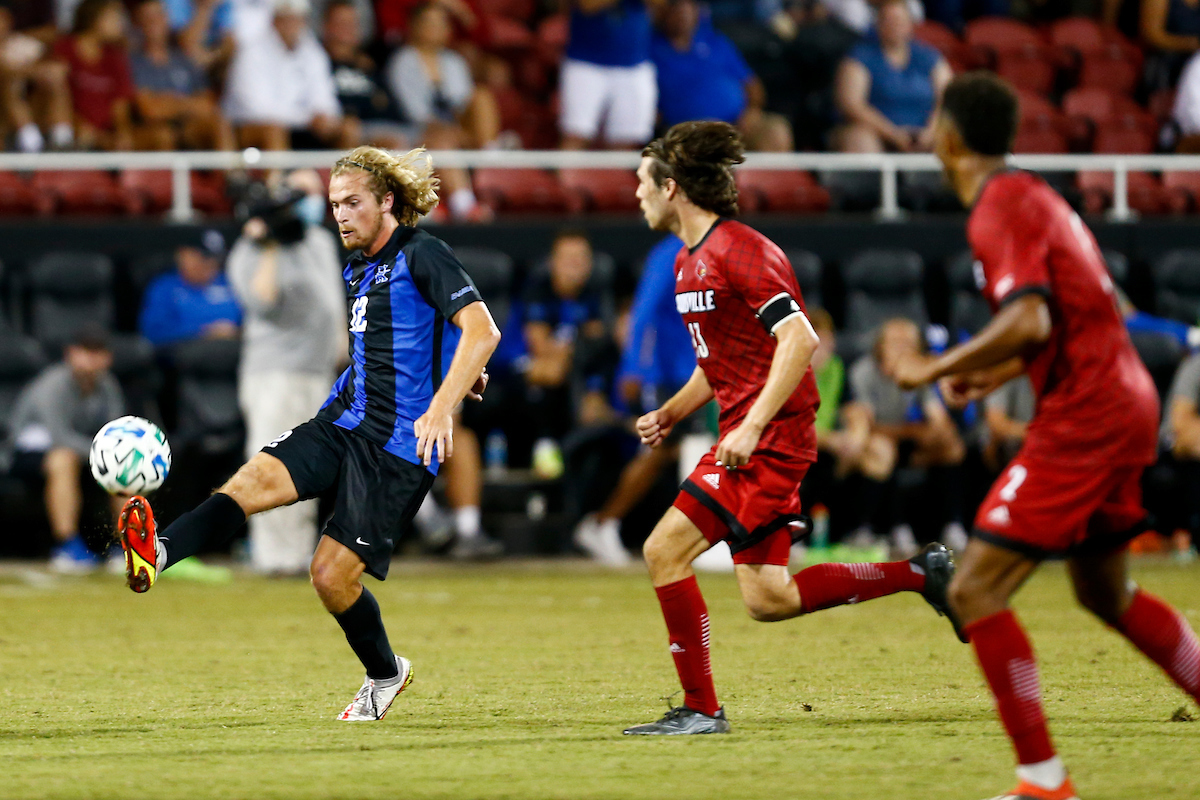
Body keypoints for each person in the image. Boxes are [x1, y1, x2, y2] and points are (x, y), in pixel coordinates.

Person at [886, 71, 1200, 800]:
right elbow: (1071, 318)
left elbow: (1029, 320)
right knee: (1105, 591)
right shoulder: (1036, 197)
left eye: (936, 123)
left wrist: (938, 363)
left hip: (1089, 411)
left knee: (976, 589)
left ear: (952, 138)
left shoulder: (998, 206)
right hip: (1122, 398)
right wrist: (990, 376)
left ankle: (1043, 781)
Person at [115, 145, 500, 722]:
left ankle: (385, 673)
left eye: (353, 203)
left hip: (397, 447)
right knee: (249, 481)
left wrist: (444, 402)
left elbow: (482, 329)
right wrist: (455, 371)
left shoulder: (424, 253)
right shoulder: (356, 266)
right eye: (334, 204)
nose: (340, 215)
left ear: (387, 202)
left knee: (329, 577)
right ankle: (158, 552)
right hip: (342, 421)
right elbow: (402, 342)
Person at [622, 120, 959, 736]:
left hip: (769, 442)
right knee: (768, 598)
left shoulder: (742, 249)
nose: (636, 194)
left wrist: (749, 426)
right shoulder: (686, 261)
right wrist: (673, 410)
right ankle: (920, 573)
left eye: (643, 182)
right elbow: (720, 364)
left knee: (662, 550)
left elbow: (800, 338)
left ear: (672, 188)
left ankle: (701, 710)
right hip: (752, 436)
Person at [226, 170, 346, 576]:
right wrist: (269, 243)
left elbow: (333, 304)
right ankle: (271, 557)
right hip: (275, 373)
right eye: (303, 195)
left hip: (317, 372)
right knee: (270, 464)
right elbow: (262, 301)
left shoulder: (321, 241)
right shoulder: (250, 249)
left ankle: (295, 555)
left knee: (308, 469)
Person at [572, 233, 693, 566]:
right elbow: (645, 310)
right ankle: (603, 523)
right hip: (669, 374)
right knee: (662, 446)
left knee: (700, 448)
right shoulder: (671, 252)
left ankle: (718, 536)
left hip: (701, 371)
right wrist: (635, 367)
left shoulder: (712, 247)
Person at [2, 326, 123, 573]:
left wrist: (118, 452)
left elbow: (115, 429)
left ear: (107, 357)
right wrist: (103, 452)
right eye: (85, 352)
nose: (91, 360)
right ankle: (67, 546)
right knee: (63, 459)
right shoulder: (52, 384)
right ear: (70, 354)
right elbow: (59, 436)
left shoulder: (108, 385)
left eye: (97, 352)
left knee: (123, 464)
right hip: (28, 451)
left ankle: (127, 545)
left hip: (83, 450)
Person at [844, 318, 967, 555]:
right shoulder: (864, 372)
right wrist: (915, 431)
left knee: (952, 446)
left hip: (910, 442)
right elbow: (866, 425)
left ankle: (953, 525)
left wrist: (930, 430)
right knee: (883, 449)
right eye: (896, 343)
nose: (903, 349)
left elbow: (940, 423)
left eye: (909, 343)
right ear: (881, 347)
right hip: (875, 444)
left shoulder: (919, 372)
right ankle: (870, 528)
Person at [384, 1, 494, 221]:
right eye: (429, 23)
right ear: (414, 27)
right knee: (443, 140)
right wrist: (454, 132)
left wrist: (460, 131)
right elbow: (416, 114)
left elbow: (462, 105)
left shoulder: (454, 62)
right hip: (415, 132)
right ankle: (464, 205)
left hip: (456, 130)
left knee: (482, 97)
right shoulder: (402, 62)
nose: (436, 29)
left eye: (441, 23)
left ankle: (489, 150)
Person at [651, 0, 793, 152]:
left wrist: (751, 111)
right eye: (676, 9)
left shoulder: (715, 41)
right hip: (688, 129)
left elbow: (752, 84)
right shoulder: (651, 50)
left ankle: (770, 177)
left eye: (688, 8)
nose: (683, 14)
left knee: (775, 130)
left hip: (738, 123)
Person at [222, 0, 358, 151]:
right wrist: (307, 118)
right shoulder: (252, 52)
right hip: (250, 127)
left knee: (348, 129)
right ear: (274, 20)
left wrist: (323, 116)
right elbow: (257, 109)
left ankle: (346, 175)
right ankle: (274, 175)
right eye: (286, 18)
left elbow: (326, 98)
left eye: (296, 18)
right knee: (274, 131)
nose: (291, 25)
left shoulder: (313, 52)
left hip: (302, 127)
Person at [833, 0, 952, 153]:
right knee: (859, 139)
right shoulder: (859, 57)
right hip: (877, 132)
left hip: (923, 133)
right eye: (888, 20)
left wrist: (931, 131)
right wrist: (893, 134)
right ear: (878, 23)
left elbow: (947, 97)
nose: (894, 25)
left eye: (899, 20)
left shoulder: (930, 57)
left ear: (910, 23)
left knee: (951, 138)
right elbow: (851, 104)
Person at [128, 0, 234, 151]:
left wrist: (168, 101)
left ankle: (232, 173)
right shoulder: (133, 62)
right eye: (147, 17)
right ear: (137, 23)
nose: (153, 22)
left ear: (166, 19)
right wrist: (188, 103)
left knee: (218, 123)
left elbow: (208, 105)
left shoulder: (183, 60)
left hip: (189, 128)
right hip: (155, 132)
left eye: (158, 15)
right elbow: (149, 110)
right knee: (163, 135)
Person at [561, 0, 662, 149]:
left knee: (627, 139)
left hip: (634, 64)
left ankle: (616, 173)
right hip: (586, 62)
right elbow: (587, 5)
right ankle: (566, 172)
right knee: (577, 133)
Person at [322, 0, 412, 150]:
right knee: (354, 131)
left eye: (352, 23)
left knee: (437, 140)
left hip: (386, 127)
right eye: (341, 23)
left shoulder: (369, 66)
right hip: (348, 131)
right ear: (325, 27)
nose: (347, 29)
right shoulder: (318, 63)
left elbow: (391, 108)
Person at [52, 0, 135, 151]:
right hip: (73, 127)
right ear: (94, 18)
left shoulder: (115, 56)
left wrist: (122, 132)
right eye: (113, 18)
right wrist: (87, 131)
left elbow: (120, 103)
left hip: (106, 132)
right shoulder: (64, 49)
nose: (120, 24)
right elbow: (57, 97)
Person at [138, 229, 241, 349]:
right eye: (203, 257)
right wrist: (205, 331)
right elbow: (153, 333)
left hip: (235, 348)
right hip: (185, 351)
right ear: (183, 255)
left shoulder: (230, 284)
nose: (210, 263)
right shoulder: (165, 287)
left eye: (215, 258)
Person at [0, 4, 73, 152]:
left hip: (32, 105)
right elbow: (4, 72)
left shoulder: (20, 43)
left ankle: (62, 139)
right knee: (8, 86)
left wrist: (49, 71)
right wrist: (31, 72)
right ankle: (31, 143)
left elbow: (58, 65)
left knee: (55, 81)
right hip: (5, 107)